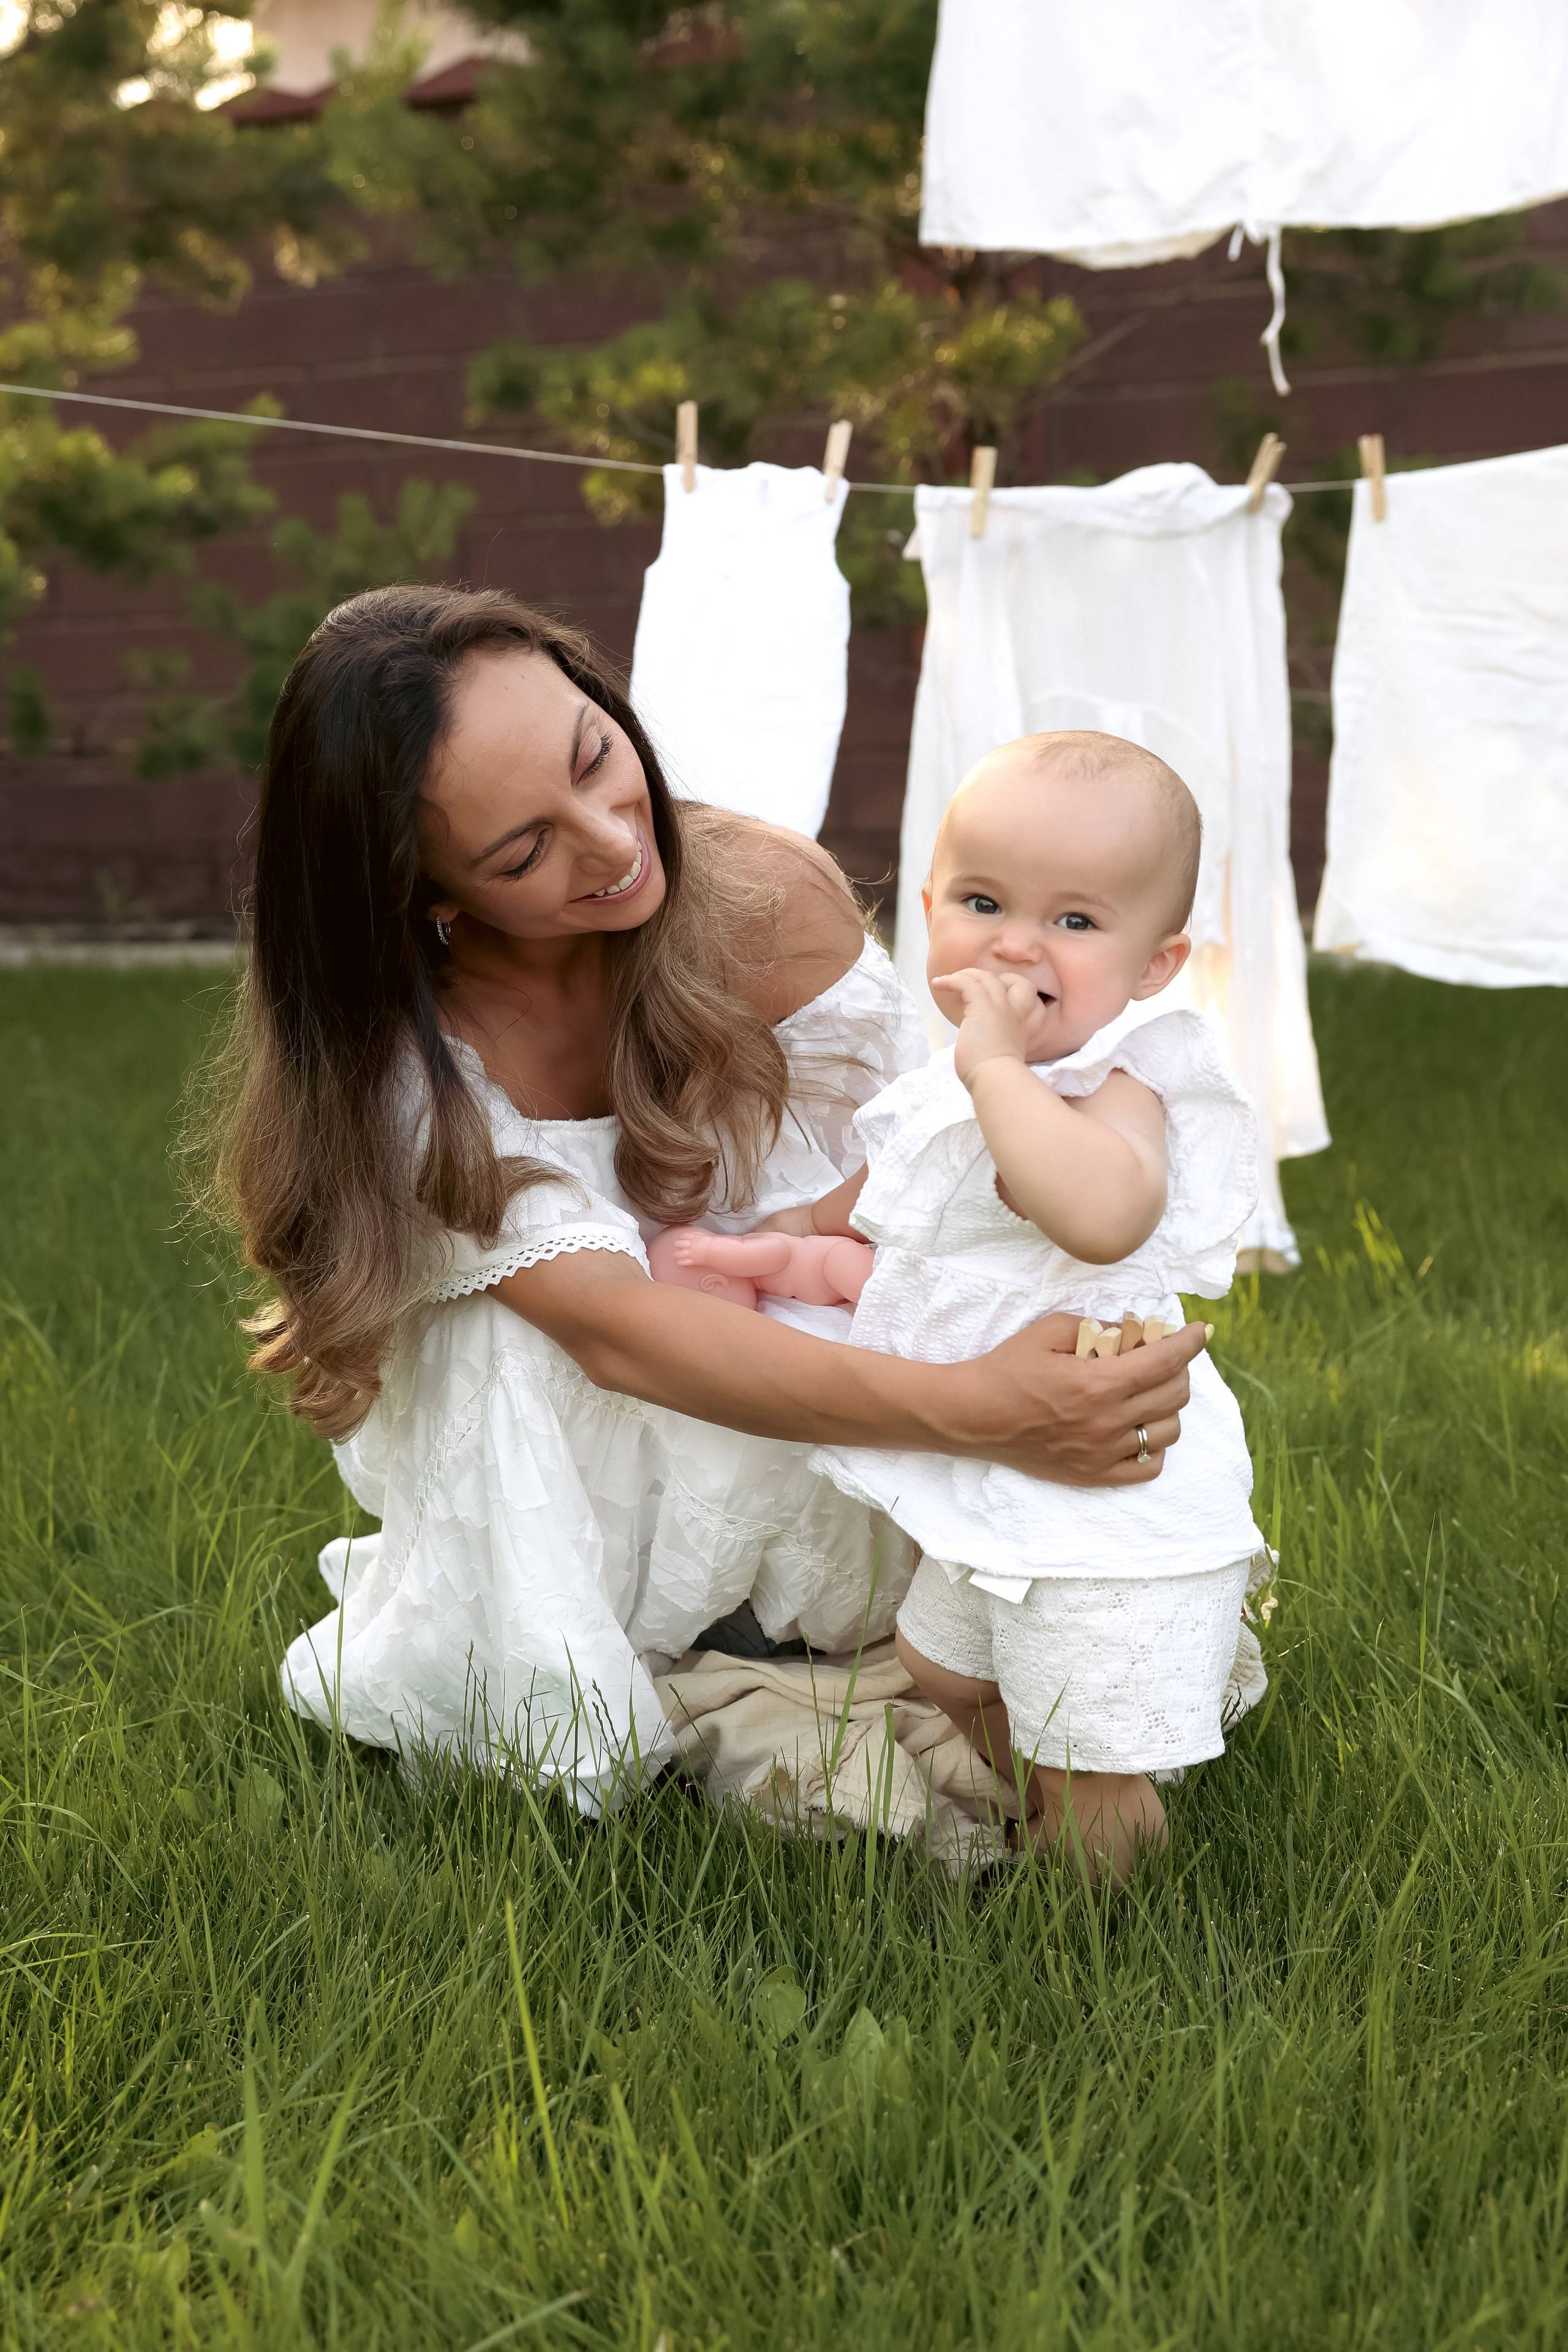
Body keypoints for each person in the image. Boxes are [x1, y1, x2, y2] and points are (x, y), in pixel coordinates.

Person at [201, 589, 1210, 1812]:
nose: (611, 841)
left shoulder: (756, 893)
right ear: (427, 893)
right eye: (523, 851)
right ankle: (647, 1650)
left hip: (823, 1357)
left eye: (595, 758)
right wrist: (975, 1411)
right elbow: (620, 1334)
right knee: (495, 1330)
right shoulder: (408, 1074)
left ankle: (872, 1613)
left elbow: (934, 1164)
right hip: (627, 1408)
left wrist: (1000, 1362)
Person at [761, 732, 1271, 1884]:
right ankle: (1050, 1797)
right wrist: (780, 1249)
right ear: (931, 909)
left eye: (1077, 923)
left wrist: (995, 1071)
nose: (1018, 944)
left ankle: (1103, 1901)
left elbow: (1101, 1216)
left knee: (1092, 1758)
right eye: (983, 902)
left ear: (1153, 965)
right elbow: (882, 1201)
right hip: (999, 1487)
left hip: (1103, 1501)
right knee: (942, 1670)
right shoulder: (949, 1090)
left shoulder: (1124, 1088)